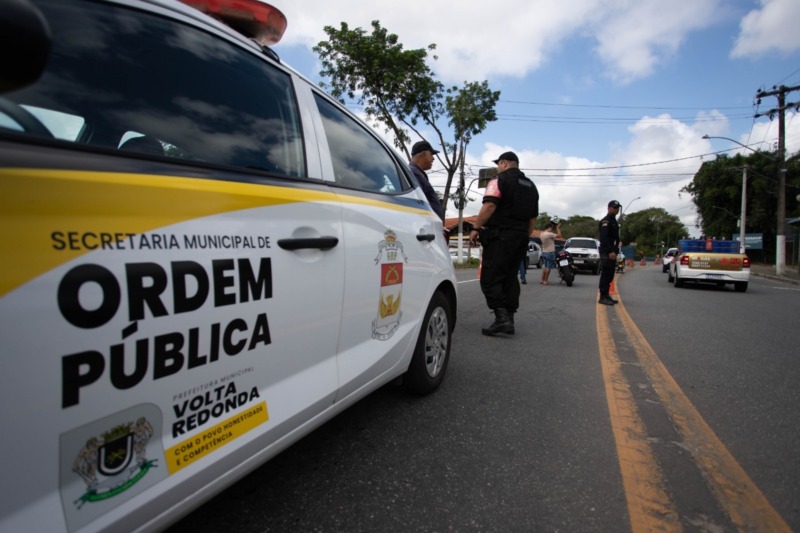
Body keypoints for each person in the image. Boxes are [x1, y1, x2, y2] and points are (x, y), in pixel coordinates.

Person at [469, 151, 539, 336]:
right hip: (521, 238)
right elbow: (532, 218)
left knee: (489, 279)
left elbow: (489, 205)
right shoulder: (531, 186)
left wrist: (476, 228)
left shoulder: (498, 180)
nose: (498, 168)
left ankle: (502, 319)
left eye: (499, 164)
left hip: (500, 238)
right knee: (510, 278)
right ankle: (510, 318)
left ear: (505, 163)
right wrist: (523, 236)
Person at [409, 140, 445, 222]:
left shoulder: (418, 173)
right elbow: (418, 202)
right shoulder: (413, 173)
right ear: (423, 154)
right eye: (431, 154)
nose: (433, 158)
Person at [598, 200, 622, 305]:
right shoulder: (606, 221)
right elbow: (604, 238)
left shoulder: (613, 221)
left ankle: (606, 294)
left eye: (618, 208)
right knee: (606, 273)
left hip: (613, 251)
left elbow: (615, 237)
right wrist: (610, 251)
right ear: (609, 208)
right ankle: (602, 296)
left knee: (610, 274)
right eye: (615, 207)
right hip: (607, 251)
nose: (617, 209)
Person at [539, 220, 561, 285]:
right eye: (551, 228)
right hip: (550, 252)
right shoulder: (549, 234)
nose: (552, 229)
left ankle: (542, 280)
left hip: (544, 251)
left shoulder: (542, 234)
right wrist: (558, 228)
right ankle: (545, 281)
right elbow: (559, 236)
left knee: (545, 267)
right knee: (548, 267)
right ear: (549, 227)